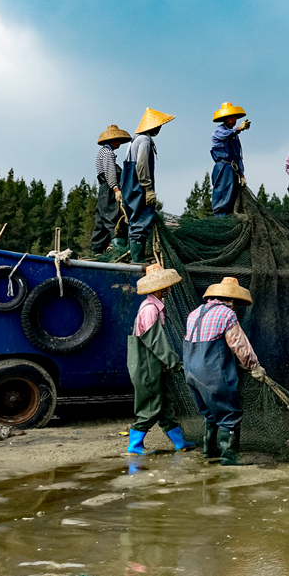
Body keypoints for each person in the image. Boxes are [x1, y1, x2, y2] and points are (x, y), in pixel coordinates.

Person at [183, 276, 266, 466]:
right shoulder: (226, 314)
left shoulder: (194, 313)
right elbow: (239, 344)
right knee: (229, 414)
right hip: (212, 373)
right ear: (232, 300)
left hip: (191, 371)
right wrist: (254, 366)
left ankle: (208, 451)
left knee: (210, 414)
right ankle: (229, 457)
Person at [127, 264, 196, 455]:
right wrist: (174, 362)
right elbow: (155, 342)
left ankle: (180, 443)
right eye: (168, 286)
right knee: (150, 406)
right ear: (160, 288)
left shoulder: (153, 307)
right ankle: (134, 446)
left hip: (153, 365)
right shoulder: (150, 309)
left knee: (165, 405)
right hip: (146, 367)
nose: (170, 289)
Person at [121, 108, 175, 263]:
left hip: (128, 184)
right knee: (141, 219)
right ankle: (137, 261)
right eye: (159, 125)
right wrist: (148, 188)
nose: (160, 128)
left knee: (134, 220)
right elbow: (142, 164)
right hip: (137, 184)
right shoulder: (144, 140)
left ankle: (136, 258)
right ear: (152, 126)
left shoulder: (134, 140)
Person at [92, 124, 131, 254]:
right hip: (108, 191)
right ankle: (119, 253)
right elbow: (110, 173)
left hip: (103, 191)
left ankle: (96, 254)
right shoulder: (108, 153)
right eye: (118, 140)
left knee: (101, 223)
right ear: (112, 140)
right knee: (114, 221)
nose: (119, 143)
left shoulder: (102, 152)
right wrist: (116, 189)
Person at [210, 102, 251, 217]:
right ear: (225, 118)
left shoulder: (235, 137)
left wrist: (242, 175)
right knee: (222, 196)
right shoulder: (219, 131)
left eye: (235, 117)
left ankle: (228, 220)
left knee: (232, 199)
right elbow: (226, 134)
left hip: (233, 170)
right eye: (231, 117)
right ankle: (220, 222)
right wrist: (238, 129)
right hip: (223, 168)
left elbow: (238, 157)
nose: (234, 120)